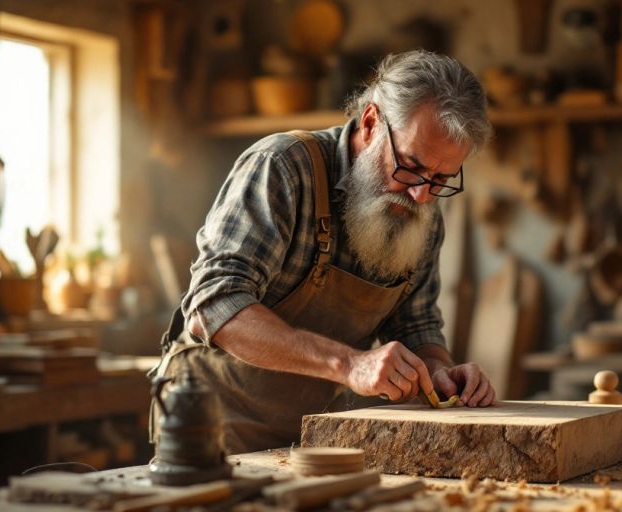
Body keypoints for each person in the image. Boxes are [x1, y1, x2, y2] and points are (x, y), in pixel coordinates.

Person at [151, 50, 497, 454]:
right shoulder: (281, 168)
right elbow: (212, 305)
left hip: (316, 434)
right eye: (411, 166)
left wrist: (439, 372)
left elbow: (414, 324)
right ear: (371, 124)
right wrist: (349, 364)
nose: (422, 194)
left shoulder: (423, 212)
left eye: (441, 178)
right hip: (210, 425)